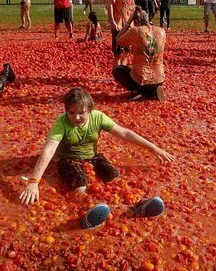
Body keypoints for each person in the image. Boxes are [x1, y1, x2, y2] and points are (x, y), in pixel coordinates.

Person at [18, 87, 173, 204]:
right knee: (80, 184)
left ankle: (139, 204)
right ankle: (89, 207)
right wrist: (33, 182)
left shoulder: (98, 117)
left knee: (115, 178)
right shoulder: (61, 122)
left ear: (90, 110)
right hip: (67, 159)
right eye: (71, 113)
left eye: (81, 113)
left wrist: (153, 148)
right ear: (66, 111)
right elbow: (49, 150)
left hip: (93, 157)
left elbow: (124, 133)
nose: (76, 117)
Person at [112, 9, 166, 101]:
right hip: (159, 79)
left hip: (141, 80)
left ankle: (139, 91)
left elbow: (118, 39)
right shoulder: (161, 31)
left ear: (136, 21)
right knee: (134, 67)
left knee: (117, 70)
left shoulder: (136, 31)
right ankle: (154, 89)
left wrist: (129, 21)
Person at [106, 0, 137, 65]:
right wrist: (112, 22)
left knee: (127, 52)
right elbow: (109, 4)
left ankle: (123, 73)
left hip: (129, 25)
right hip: (119, 25)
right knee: (119, 53)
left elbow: (131, 4)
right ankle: (117, 74)